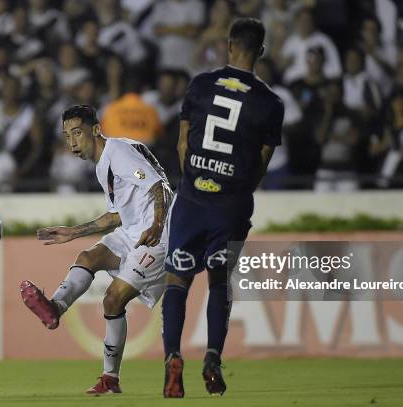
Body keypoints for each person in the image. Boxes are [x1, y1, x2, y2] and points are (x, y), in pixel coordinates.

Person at [161, 18, 284, 397]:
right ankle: (213, 356)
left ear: (229, 46)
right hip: (231, 204)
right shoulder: (270, 103)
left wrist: (196, 184)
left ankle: (172, 358)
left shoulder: (200, 85)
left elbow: (183, 144)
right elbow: (262, 162)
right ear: (260, 52)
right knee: (219, 281)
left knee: (177, 280)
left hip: (193, 197)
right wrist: (236, 189)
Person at [20, 105, 173, 395]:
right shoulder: (104, 163)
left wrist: (157, 223)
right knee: (88, 257)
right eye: (67, 136)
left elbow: (159, 187)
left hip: (158, 235)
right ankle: (54, 308)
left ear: (95, 129)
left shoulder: (118, 153)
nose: (72, 142)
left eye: (77, 132)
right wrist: (74, 231)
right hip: (132, 230)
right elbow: (115, 215)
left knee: (113, 300)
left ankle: (110, 377)